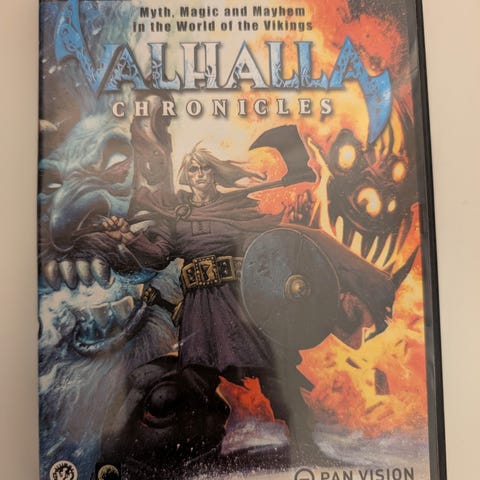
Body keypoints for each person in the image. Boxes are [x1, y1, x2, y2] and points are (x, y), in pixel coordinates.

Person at [103, 144, 317, 459]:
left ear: (214, 173)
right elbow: (159, 255)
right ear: (186, 176)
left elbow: (265, 246)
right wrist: (129, 239)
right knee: (196, 379)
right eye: (194, 169)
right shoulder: (177, 218)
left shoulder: (235, 209)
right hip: (199, 310)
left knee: (270, 371)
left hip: (236, 304)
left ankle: (307, 445)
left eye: (205, 168)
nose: (200, 174)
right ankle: (204, 448)